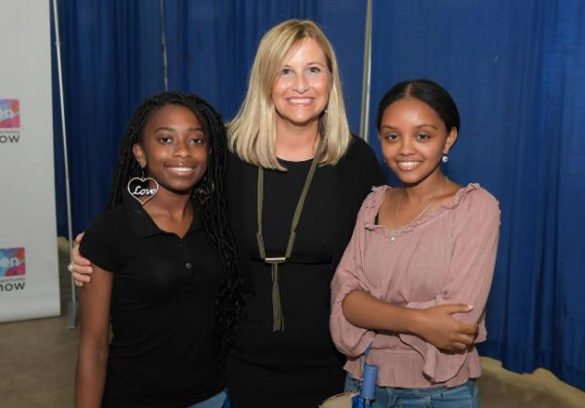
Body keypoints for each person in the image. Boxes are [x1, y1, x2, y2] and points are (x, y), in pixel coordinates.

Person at [72, 20, 385, 407]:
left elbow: (389, 245)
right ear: (265, 79)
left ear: (331, 80)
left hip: (333, 364)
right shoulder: (225, 151)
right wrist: (100, 242)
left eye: (313, 70)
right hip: (235, 366)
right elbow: (164, 191)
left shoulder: (356, 162)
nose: (300, 85)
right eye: (285, 70)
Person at [330, 79, 500, 407]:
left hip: (439, 393)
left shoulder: (475, 207)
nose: (405, 148)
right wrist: (420, 320)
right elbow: (344, 302)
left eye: (423, 135)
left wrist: (372, 309)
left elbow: (457, 326)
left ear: (448, 138)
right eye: (392, 136)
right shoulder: (373, 203)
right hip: (362, 382)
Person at [75, 91, 241, 408]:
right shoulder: (110, 231)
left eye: (196, 141)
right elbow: (93, 346)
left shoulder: (218, 224)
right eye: (165, 140)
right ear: (140, 153)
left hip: (213, 397)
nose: (183, 152)